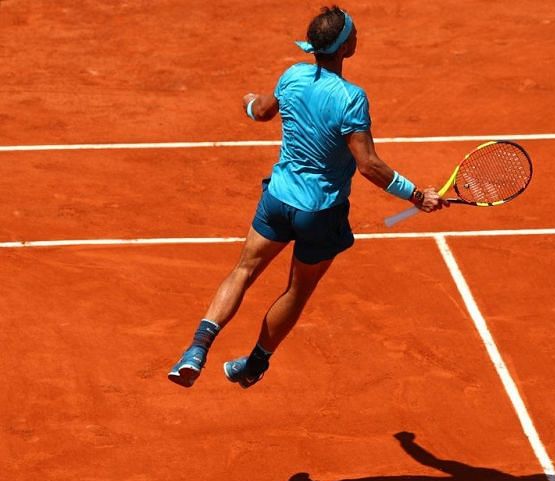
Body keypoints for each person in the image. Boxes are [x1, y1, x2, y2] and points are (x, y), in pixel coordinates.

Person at [168, 5, 447, 388]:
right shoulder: (351, 98)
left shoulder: (293, 76)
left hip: (278, 200)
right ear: (346, 47)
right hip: (320, 213)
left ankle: (197, 347)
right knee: (297, 291)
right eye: (354, 34)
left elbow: (262, 110)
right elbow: (368, 165)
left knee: (243, 270)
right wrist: (416, 195)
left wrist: (248, 103)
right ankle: (254, 365)